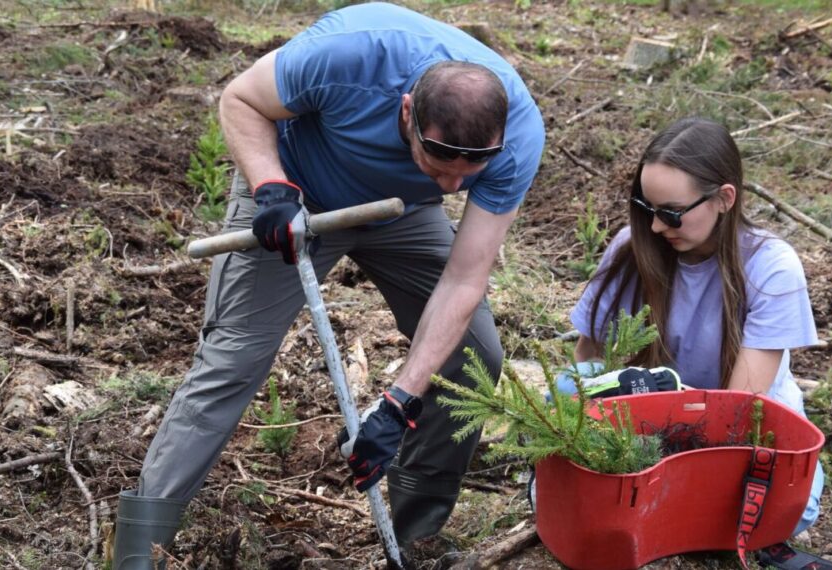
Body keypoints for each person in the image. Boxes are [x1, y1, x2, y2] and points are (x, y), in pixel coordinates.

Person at [109, 3, 545, 568]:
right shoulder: (350, 57)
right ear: (407, 111)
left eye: (470, 171)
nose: (453, 183)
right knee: (234, 357)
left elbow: (465, 278)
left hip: (401, 211)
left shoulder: (516, 138)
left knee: (473, 355)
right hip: (295, 192)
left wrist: (398, 402)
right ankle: (139, 548)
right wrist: (269, 188)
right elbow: (239, 99)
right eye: (438, 161)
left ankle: (417, 538)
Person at [563, 117, 832, 570]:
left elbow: (740, 409)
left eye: (671, 212)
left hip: (734, 438)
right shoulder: (629, 250)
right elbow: (586, 363)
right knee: (567, 389)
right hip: (643, 423)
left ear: (723, 199)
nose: (655, 227)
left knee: (797, 506)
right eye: (645, 207)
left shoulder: (770, 267)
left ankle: (674, 520)